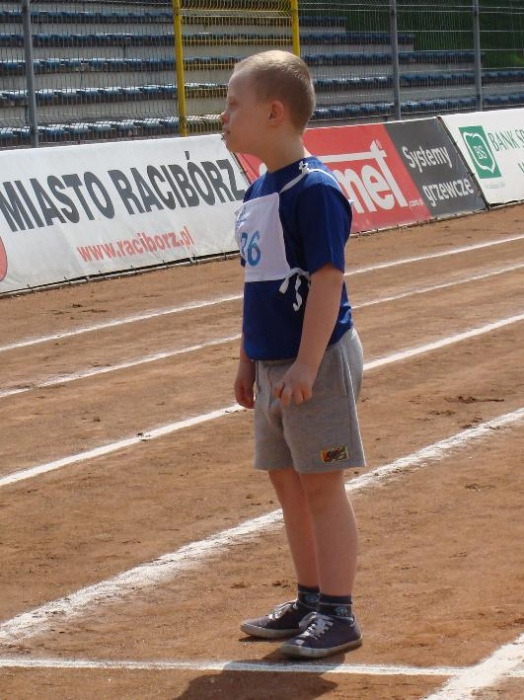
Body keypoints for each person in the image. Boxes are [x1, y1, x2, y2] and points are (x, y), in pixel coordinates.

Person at [221, 49, 366, 660]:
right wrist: (248, 358)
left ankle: (338, 612)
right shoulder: (258, 189)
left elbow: (328, 280)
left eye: (234, 105)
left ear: (274, 113)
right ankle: (310, 599)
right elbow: (258, 283)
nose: (223, 116)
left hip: (317, 360)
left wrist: (307, 363)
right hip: (273, 363)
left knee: (322, 486)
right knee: (289, 484)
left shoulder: (315, 190)